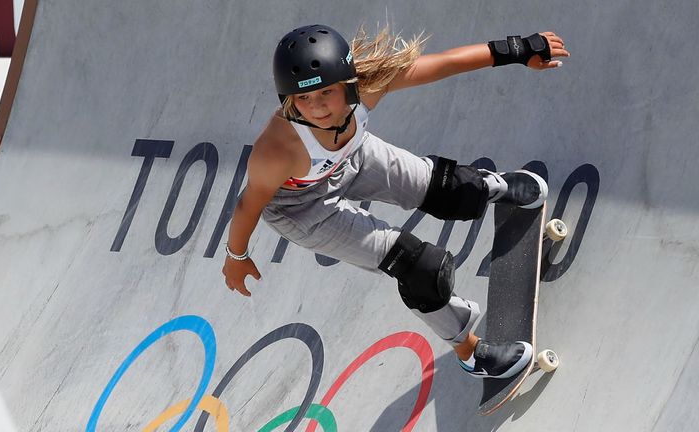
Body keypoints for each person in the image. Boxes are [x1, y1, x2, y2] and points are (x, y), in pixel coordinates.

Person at [222, 24, 569, 378]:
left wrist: (517, 49)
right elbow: (248, 205)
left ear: (347, 83)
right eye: (303, 99)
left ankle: (492, 188)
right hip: (302, 210)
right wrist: (237, 256)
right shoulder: (278, 149)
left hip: (354, 158)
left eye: (325, 93)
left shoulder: (368, 85)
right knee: (418, 268)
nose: (317, 108)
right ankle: (471, 351)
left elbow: (444, 64)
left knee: (448, 186)